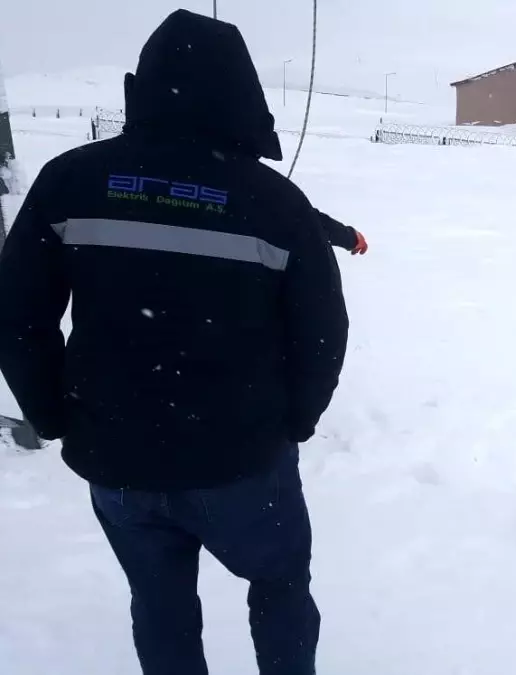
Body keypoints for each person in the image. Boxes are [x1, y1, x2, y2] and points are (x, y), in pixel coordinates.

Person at [0, 9, 348, 675]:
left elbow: (17, 315)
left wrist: (54, 414)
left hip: (117, 457)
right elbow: (321, 331)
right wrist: (296, 420)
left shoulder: (72, 181)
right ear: (243, 93)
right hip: (242, 460)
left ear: (145, 86)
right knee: (279, 583)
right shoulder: (275, 203)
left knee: (160, 603)